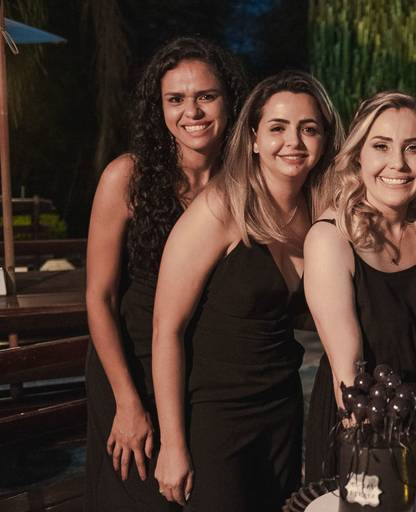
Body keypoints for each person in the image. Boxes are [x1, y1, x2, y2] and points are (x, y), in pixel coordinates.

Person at [151, 71, 343, 511]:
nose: (293, 141)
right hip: (218, 416)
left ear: (324, 139)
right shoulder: (220, 208)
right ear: (254, 138)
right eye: (278, 127)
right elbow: (166, 329)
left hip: (282, 410)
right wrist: (172, 443)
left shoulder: (318, 213)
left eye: (308, 128)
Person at [84, 37, 246, 511]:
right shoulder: (126, 178)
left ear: (230, 101)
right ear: (159, 109)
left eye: (206, 96)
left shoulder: (242, 187)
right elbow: (99, 298)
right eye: (176, 99)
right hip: (130, 367)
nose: (191, 112)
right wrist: (127, 402)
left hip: (203, 373)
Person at [303, 92, 416, 483]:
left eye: (413, 148)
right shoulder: (331, 239)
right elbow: (348, 376)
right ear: (358, 156)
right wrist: (375, 462)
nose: (398, 163)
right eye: (381, 146)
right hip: (367, 429)